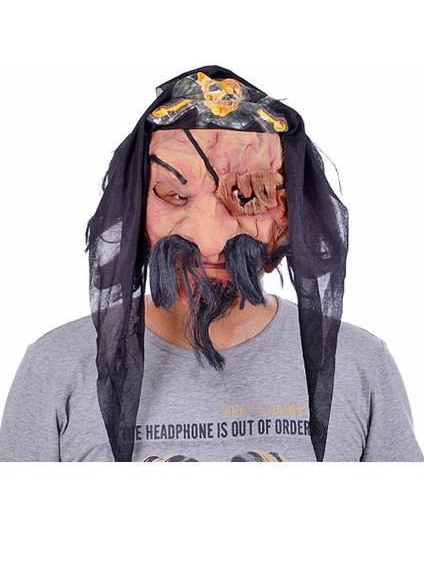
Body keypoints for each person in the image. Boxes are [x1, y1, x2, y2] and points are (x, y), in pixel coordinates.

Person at [0, 65, 422, 462]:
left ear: (289, 215)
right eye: (174, 195)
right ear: (136, 207)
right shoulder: (56, 367)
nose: (209, 242)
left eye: (249, 196)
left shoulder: (360, 365)